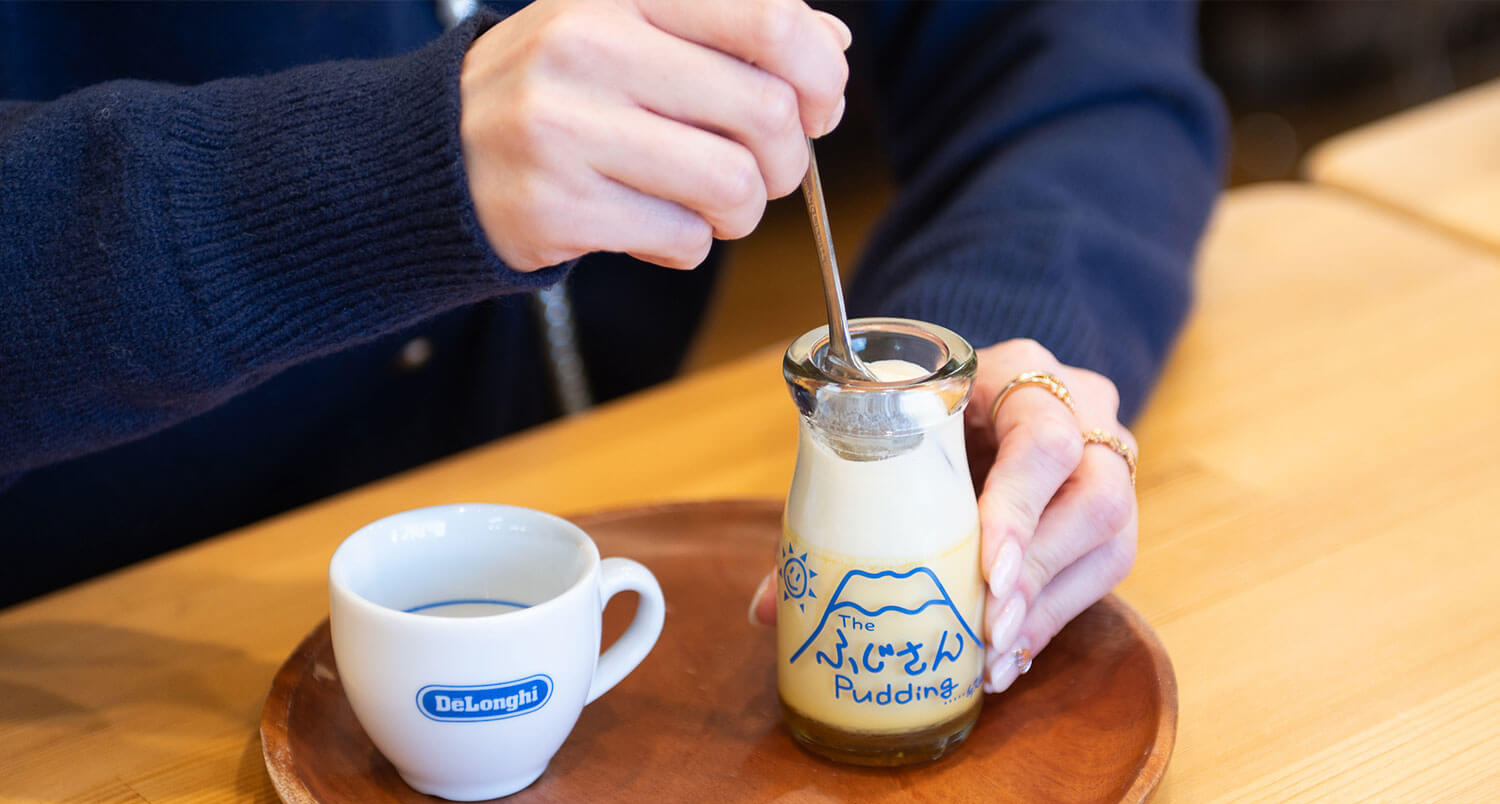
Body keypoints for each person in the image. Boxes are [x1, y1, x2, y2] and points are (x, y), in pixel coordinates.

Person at [0, 0, 1224, 691]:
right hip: (87, 688)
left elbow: (1083, 65)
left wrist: (1008, 338)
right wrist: (377, 174)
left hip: (605, 647)